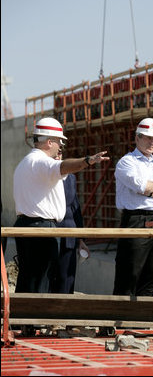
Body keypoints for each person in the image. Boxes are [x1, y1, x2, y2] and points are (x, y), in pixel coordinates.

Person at [13, 117, 109, 294]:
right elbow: (63, 166)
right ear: (50, 142)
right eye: (59, 143)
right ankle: (33, 320)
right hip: (41, 230)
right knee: (40, 281)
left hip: (28, 227)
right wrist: (88, 160)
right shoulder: (41, 162)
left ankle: (22, 320)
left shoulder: (26, 162)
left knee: (29, 278)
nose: (61, 147)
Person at [113, 118, 153, 296]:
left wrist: (148, 191)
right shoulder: (127, 162)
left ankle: (142, 319)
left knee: (152, 273)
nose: (152, 142)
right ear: (137, 138)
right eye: (148, 138)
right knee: (129, 274)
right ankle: (121, 320)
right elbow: (142, 187)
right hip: (136, 219)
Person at [54, 152, 90, 294]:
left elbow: (75, 207)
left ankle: (63, 312)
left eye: (60, 152)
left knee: (66, 279)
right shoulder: (41, 175)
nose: (58, 155)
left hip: (69, 233)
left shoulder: (70, 178)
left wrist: (80, 239)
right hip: (48, 231)